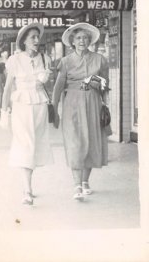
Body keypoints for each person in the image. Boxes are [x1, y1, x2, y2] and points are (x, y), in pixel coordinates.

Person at [52, 22, 112, 201]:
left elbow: (105, 84)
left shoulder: (100, 59)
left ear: (90, 40)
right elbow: (58, 87)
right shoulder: (65, 61)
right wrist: (54, 110)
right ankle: (77, 184)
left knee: (91, 142)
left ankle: (86, 181)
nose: (82, 41)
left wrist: (102, 95)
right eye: (78, 38)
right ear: (72, 40)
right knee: (75, 143)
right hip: (72, 104)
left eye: (85, 38)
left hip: (93, 103)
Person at [0, 23, 53, 206]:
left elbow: (50, 86)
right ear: (24, 41)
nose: (37, 41)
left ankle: (28, 186)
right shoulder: (14, 60)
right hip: (21, 105)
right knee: (25, 144)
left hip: (40, 105)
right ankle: (27, 190)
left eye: (38, 37)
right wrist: (3, 112)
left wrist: (46, 80)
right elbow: (7, 89)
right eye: (33, 37)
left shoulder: (45, 58)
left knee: (35, 145)